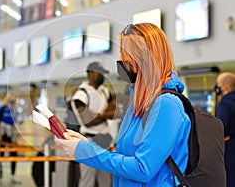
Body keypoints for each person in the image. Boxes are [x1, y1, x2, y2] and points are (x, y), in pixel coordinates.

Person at [55, 23, 191, 186]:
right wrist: (85, 144)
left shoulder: (167, 105)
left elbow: (142, 168)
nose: (119, 59)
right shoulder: (138, 105)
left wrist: (85, 151)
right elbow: (123, 157)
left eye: (125, 53)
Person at [69, 61, 117, 187]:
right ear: (90, 73)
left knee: (105, 181)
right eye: (99, 73)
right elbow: (88, 121)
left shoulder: (105, 91)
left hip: (104, 141)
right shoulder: (81, 94)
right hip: (88, 141)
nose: (101, 76)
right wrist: (105, 114)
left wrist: (98, 115)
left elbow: (116, 112)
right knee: (87, 181)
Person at [0, 94, 20, 184]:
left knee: (14, 155)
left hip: (11, 135)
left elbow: (14, 123)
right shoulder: (2, 109)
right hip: (3, 135)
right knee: (1, 155)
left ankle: (13, 176)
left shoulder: (14, 110)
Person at [215, 72, 235, 187]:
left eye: (218, 84)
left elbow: (221, 129)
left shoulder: (224, 104)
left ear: (224, 87)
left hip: (229, 151)